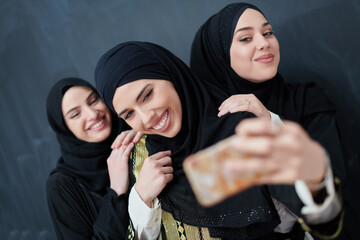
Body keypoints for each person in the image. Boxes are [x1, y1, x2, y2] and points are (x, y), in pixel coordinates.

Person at [95, 41, 343, 239]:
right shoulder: (139, 160)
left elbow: (312, 214)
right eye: (128, 114)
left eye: (147, 95)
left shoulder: (237, 129)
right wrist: (142, 200)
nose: (146, 118)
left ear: (172, 76)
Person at [45, 78, 141, 239]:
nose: (93, 114)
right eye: (75, 114)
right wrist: (116, 192)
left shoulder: (137, 134)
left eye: (94, 100)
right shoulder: (62, 186)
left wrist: (143, 133)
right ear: (64, 128)